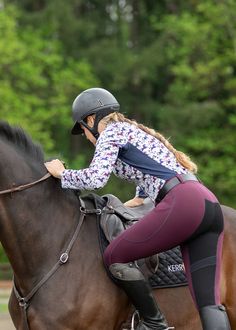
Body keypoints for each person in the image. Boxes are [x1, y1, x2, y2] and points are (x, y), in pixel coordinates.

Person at [45, 87, 231, 330]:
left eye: (83, 131)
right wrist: (140, 197)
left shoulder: (110, 133)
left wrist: (63, 174)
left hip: (183, 203)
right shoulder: (130, 131)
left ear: (91, 120)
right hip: (207, 203)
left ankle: (155, 324)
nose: (87, 138)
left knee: (115, 256)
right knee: (208, 303)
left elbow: (96, 178)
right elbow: (154, 167)